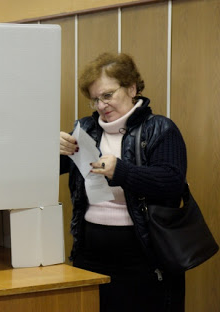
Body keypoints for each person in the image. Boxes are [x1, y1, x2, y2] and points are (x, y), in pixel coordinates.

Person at [59, 53, 187, 312]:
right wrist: (54, 151)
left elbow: (172, 182)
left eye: (107, 95)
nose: (101, 105)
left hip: (143, 254)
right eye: (95, 99)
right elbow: (55, 171)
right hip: (90, 252)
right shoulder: (86, 128)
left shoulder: (160, 128)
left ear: (131, 88)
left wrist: (122, 172)